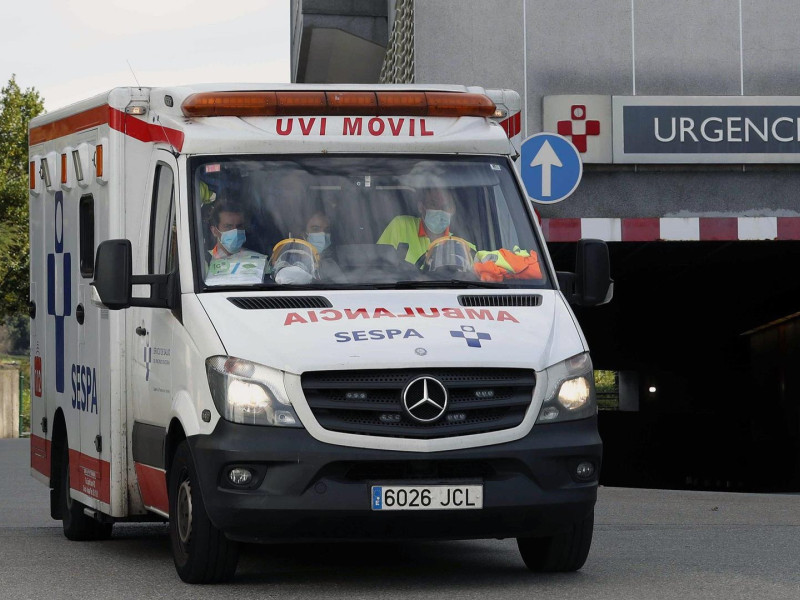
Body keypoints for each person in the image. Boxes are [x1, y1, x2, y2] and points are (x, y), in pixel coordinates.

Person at [377, 186, 470, 265]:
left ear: (453, 210)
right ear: (421, 207)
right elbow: (380, 264)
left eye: (445, 207)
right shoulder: (400, 226)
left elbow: (479, 264)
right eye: (434, 204)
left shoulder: (462, 244)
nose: (440, 211)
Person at [205, 198, 267, 285]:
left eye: (239, 226)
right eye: (228, 226)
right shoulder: (204, 263)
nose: (235, 231)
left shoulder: (259, 260)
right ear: (214, 231)